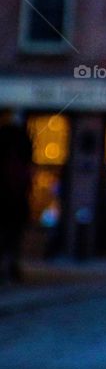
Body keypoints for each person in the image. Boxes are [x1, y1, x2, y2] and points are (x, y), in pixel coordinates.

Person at [0, 114, 33, 282]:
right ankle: (10, 267)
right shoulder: (19, 167)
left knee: (10, 239)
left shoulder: (16, 167)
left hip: (12, 209)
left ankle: (10, 267)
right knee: (10, 240)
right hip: (12, 208)